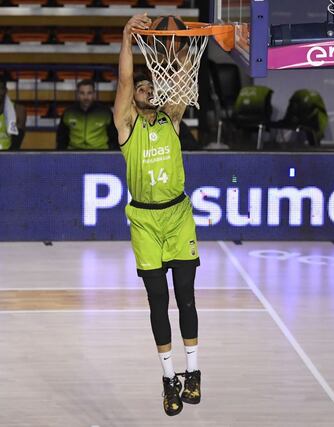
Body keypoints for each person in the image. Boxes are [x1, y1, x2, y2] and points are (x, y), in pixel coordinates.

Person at [113, 13, 201, 417]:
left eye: (152, 85)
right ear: (134, 99)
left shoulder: (172, 119)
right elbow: (125, 83)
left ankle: (193, 373)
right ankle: (168, 379)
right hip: (146, 221)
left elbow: (181, 80)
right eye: (142, 86)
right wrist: (127, 37)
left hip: (178, 215)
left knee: (185, 298)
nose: (147, 88)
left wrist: (178, 48)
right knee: (157, 301)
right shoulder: (127, 126)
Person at [56, 79, 118, 150]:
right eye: (82, 93)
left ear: (94, 94)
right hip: (74, 153)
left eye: (89, 93)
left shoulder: (105, 112)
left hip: (100, 152)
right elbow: (61, 138)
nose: (86, 97)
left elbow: (114, 137)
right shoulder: (69, 112)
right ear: (77, 94)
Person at [0, 77, 26, 150]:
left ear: (5, 90)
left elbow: (17, 141)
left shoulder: (18, 110)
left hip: (8, 156)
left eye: (1, 88)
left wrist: (7, 157)